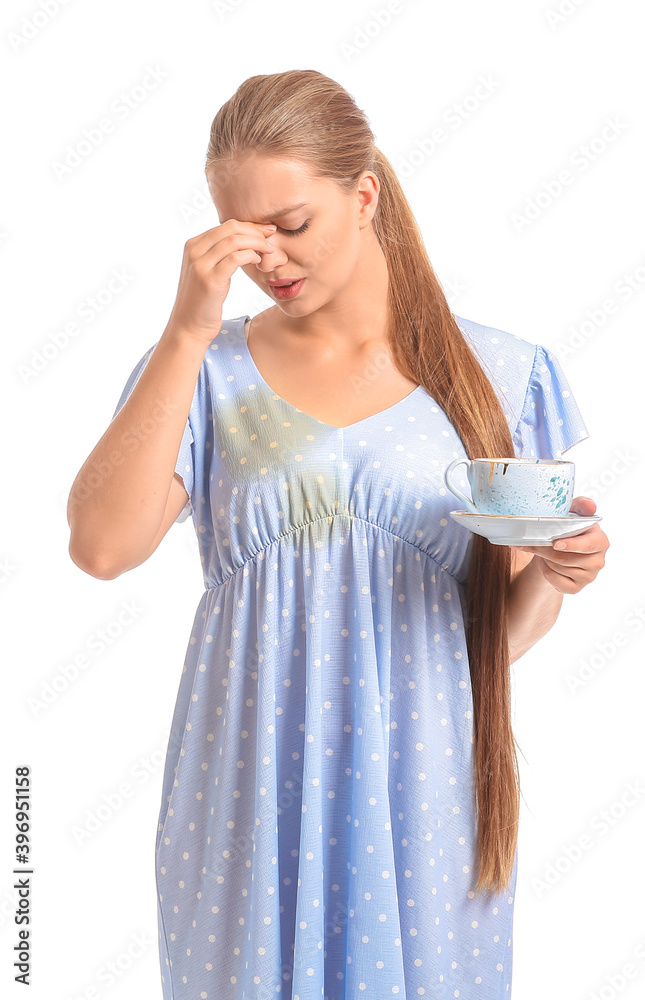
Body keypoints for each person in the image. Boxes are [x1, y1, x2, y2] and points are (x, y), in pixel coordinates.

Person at [67, 69, 609, 1000]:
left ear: (363, 196)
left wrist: (555, 577)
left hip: (427, 791)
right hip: (244, 786)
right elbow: (101, 549)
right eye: (243, 238)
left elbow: (493, 638)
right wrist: (187, 331)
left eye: (292, 224)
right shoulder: (205, 372)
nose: (269, 259)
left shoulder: (495, 373)